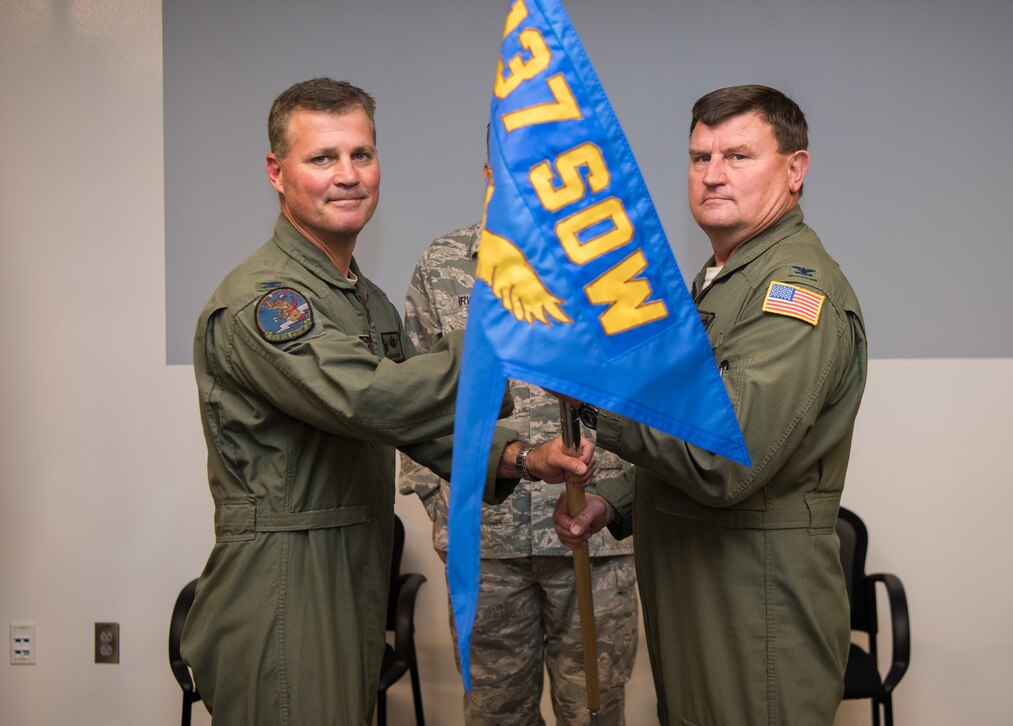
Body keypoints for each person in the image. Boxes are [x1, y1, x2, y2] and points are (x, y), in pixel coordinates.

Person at [181, 77, 595, 726]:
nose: (347, 175)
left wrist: (521, 457)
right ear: (276, 172)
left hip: (354, 570)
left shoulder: (363, 301)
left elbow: (415, 423)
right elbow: (369, 399)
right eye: (322, 158)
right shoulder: (267, 301)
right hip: (286, 579)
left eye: (361, 155)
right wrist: (501, 330)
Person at [554, 85, 868, 725]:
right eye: (701, 157)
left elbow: (725, 453)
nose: (713, 175)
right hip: (701, 597)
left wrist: (599, 396)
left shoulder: (792, 292)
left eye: (738, 156)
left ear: (795, 170)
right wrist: (615, 501)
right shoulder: (721, 281)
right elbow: (690, 421)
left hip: (755, 611)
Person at [399, 191, 639, 725]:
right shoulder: (443, 263)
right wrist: (442, 510)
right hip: (486, 545)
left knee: (594, 713)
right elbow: (416, 398)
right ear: (489, 169)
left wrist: (624, 501)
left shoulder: (613, 260)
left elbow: (651, 391)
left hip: (593, 535)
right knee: (496, 715)